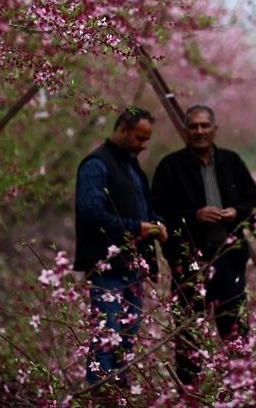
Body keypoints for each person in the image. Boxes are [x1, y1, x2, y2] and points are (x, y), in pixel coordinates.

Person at [151, 104, 256, 387]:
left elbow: (254, 201)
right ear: (186, 130)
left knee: (235, 329)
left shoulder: (232, 162)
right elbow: (158, 212)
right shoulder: (170, 167)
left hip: (228, 260)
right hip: (189, 261)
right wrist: (194, 216)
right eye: (194, 126)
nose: (199, 131)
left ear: (215, 129)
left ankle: (240, 391)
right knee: (188, 332)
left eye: (204, 126)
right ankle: (192, 393)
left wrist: (236, 212)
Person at [73, 106, 168, 385]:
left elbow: (144, 209)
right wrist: (135, 227)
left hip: (133, 267)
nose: (144, 145)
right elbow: (91, 213)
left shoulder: (131, 166)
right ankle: (100, 390)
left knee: (125, 338)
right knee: (106, 336)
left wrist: (157, 224)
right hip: (108, 268)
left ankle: (118, 391)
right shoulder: (96, 164)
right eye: (140, 138)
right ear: (123, 130)